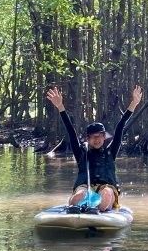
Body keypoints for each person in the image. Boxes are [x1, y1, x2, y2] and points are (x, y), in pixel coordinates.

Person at [46, 85, 142, 213]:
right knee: (80, 194)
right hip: (85, 187)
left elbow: (120, 126)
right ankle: (76, 207)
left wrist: (134, 103)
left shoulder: (110, 151)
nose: (97, 140)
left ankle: (98, 209)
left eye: (100, 136)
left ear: (104, 137)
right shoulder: (81, 153)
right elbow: (70, 130)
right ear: (87, 138)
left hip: (106, 187)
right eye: (93, 137)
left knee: (107, 193)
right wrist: (60, 107)